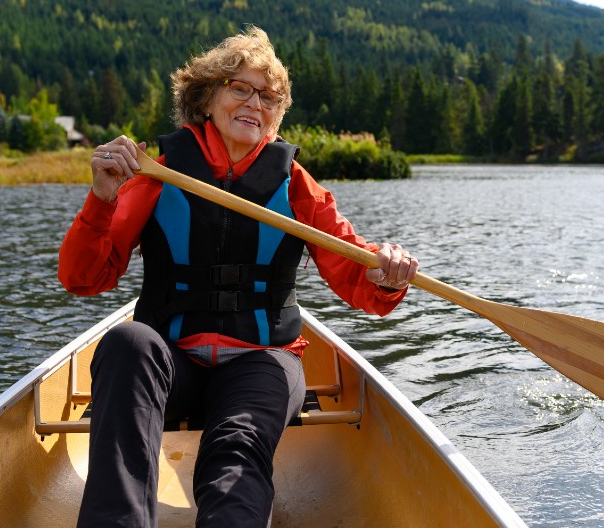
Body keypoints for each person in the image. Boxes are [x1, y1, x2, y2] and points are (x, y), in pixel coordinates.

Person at [58, 26, 419, 527]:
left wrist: (388, 275)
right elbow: (83, 278)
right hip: (171, 360)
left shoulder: (295, 185)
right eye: (240, 88)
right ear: (207, 97)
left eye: (269, 97)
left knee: (237, 447)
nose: (256, 103)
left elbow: (355, 273)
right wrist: (101, 199)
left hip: (262, 361)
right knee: (127, 343)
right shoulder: (158, 172)